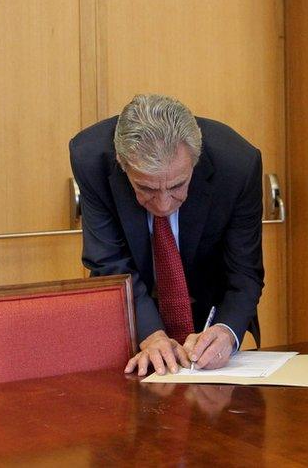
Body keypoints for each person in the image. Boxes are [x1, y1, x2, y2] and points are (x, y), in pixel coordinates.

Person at [70, 94, 264, 376]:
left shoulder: (237, 164)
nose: (163, 204)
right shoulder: (91, 157)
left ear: (194, 164)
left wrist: (226, 331)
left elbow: (245, 271)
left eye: (177, 185)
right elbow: (109, 262)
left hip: (208, 315)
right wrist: (151, 333)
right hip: (129, 318)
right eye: (146, 188)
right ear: (122, 164)